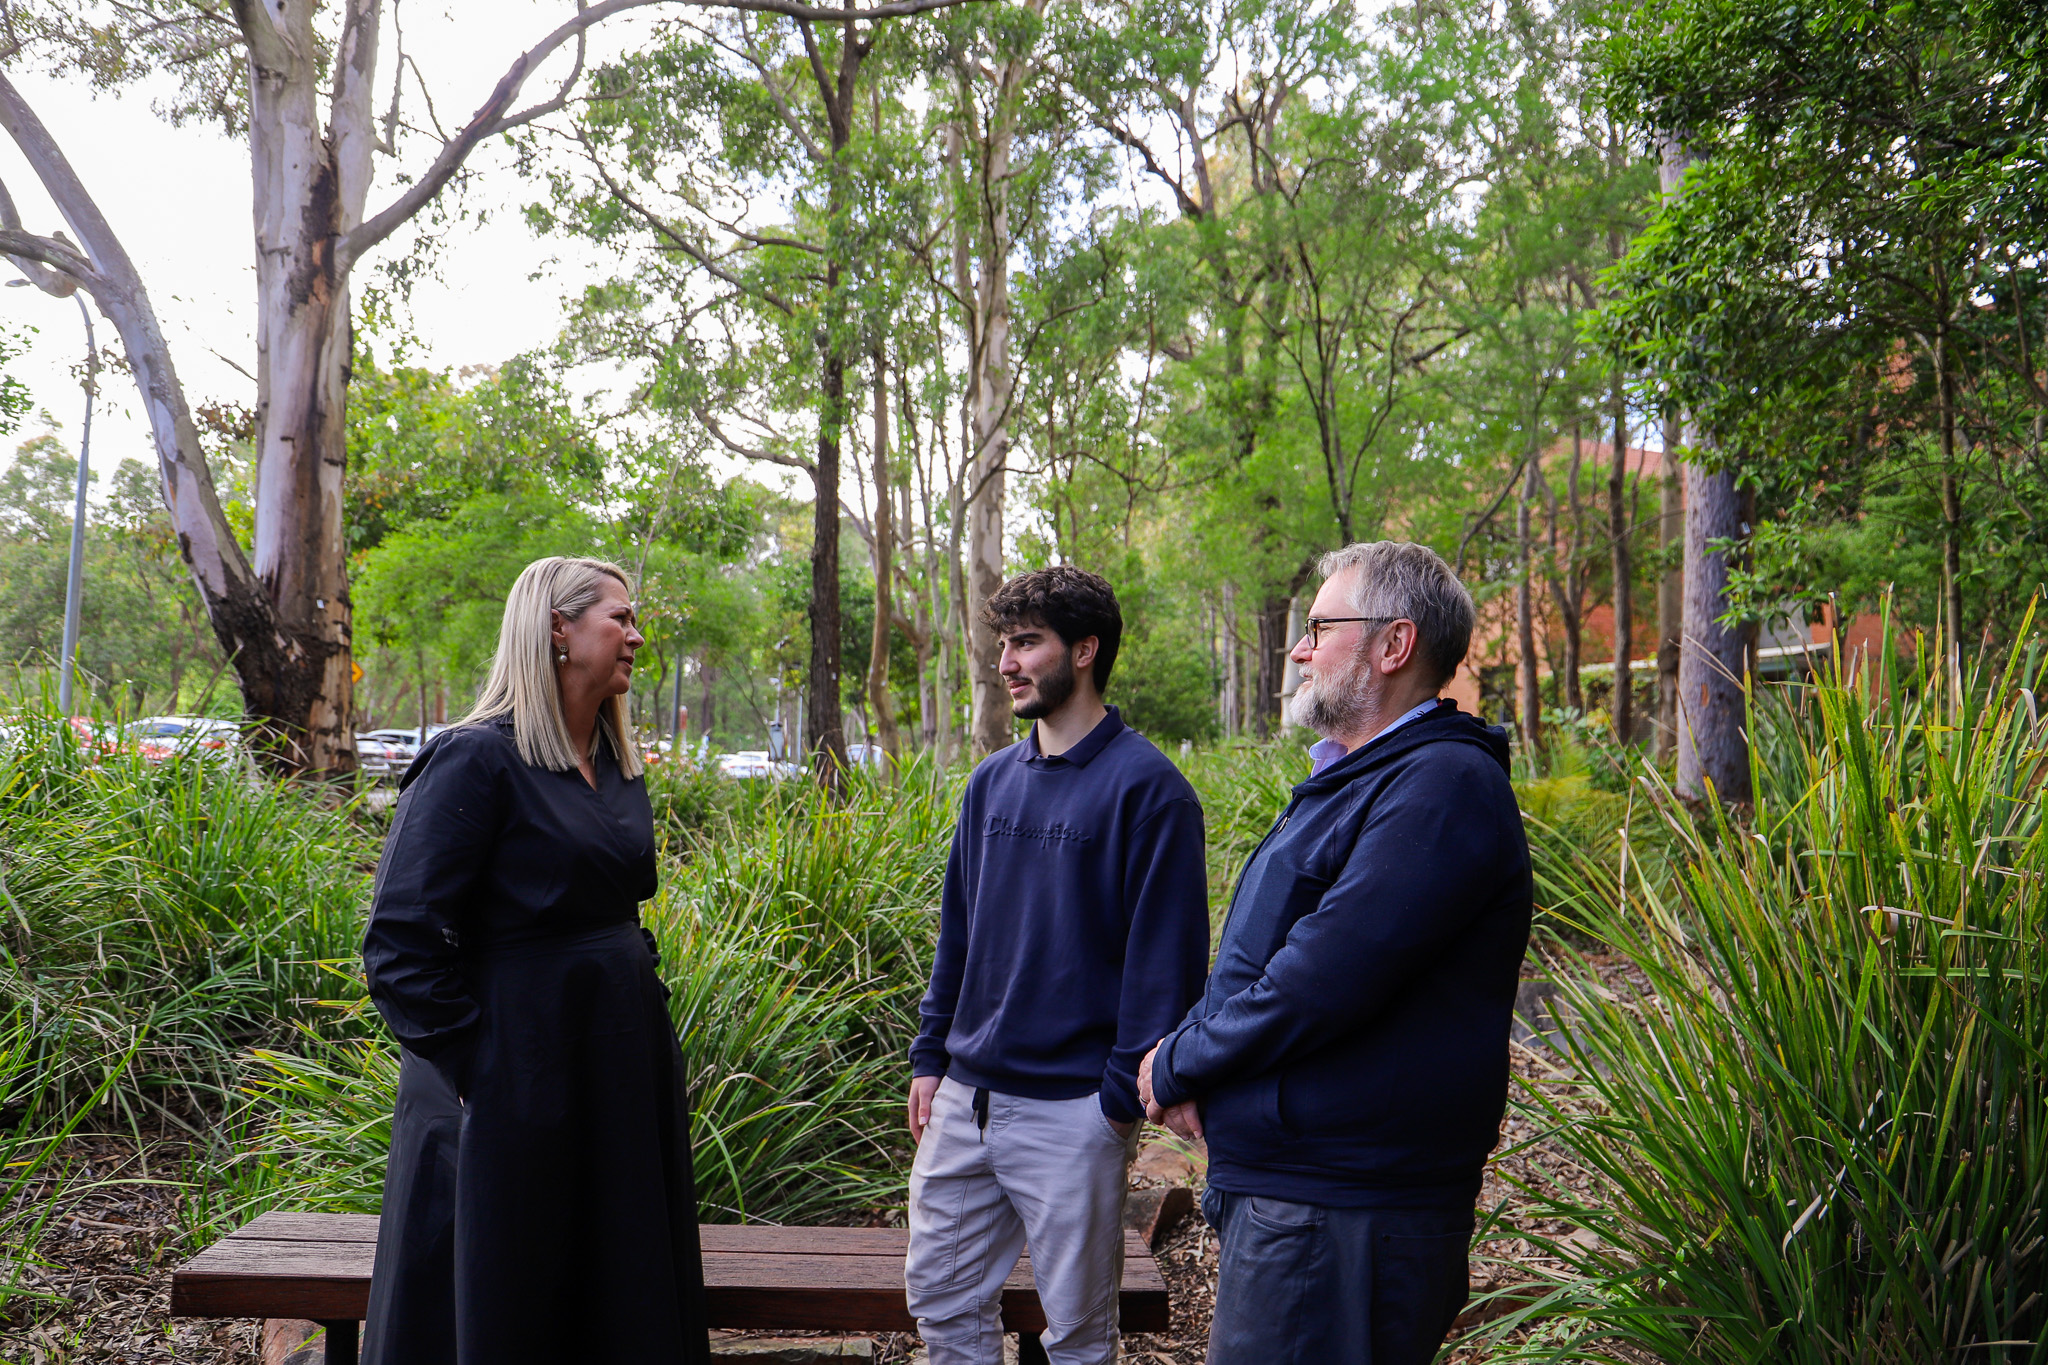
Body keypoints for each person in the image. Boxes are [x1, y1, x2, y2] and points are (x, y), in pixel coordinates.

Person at [1138, 541, 1532, 1365]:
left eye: (1320, 625)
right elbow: (1261, 954)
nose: (1300, 647)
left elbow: (1322, 976)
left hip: (1342, 1209)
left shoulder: (1441, 786)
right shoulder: (1363, 777)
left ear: (1394, 644)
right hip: (1301, 1200)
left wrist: (1181, 1062)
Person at [360, 556, 710, 1365]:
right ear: (558, 626)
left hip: (613, 1074)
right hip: (509, 1087)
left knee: (615, 1286)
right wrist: (479, 1065)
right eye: (618, 618)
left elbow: (609, 911)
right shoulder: (475, 759)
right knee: (515, 1291)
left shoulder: (617, 766)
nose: (636, 634)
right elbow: (400, 941)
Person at [905, 566, 1211, 1365]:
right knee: (942, 1301)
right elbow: (959, 933)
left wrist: (1113, 1101)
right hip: (967, 1102)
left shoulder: (1151, 792)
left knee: (1077, 1333)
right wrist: (931, 1060)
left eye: (1026, 642)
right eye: (1003, 643)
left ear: (1084, 649)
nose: (1006, 661)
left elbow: (1165, 964)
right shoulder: (991, 783)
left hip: (1074, 1110)